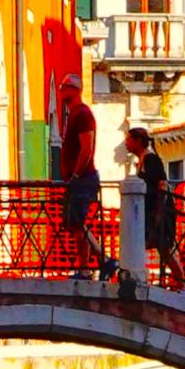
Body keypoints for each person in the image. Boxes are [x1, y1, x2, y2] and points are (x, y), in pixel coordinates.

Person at [58, 74, 109, 278]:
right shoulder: (72, 115)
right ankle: (95, 263)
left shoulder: (83, 115)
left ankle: (86, 267)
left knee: (78, 223)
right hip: (78, 179)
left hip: (83, 178)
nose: (61, 90)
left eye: (64, 87)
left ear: (75, 89)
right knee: (76, 224)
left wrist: (76, 176)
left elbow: (86, 149)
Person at [124, 127, 177, 285]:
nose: (126, 143)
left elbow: (162, 184)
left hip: (158, 211)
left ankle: (182, 284)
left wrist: (160, 212)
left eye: (128, 139)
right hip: (150, 212)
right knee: (149, 245)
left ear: (138, 141)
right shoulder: (141, 160)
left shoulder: (150, 159)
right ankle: (138, 276)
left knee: (161, 248)